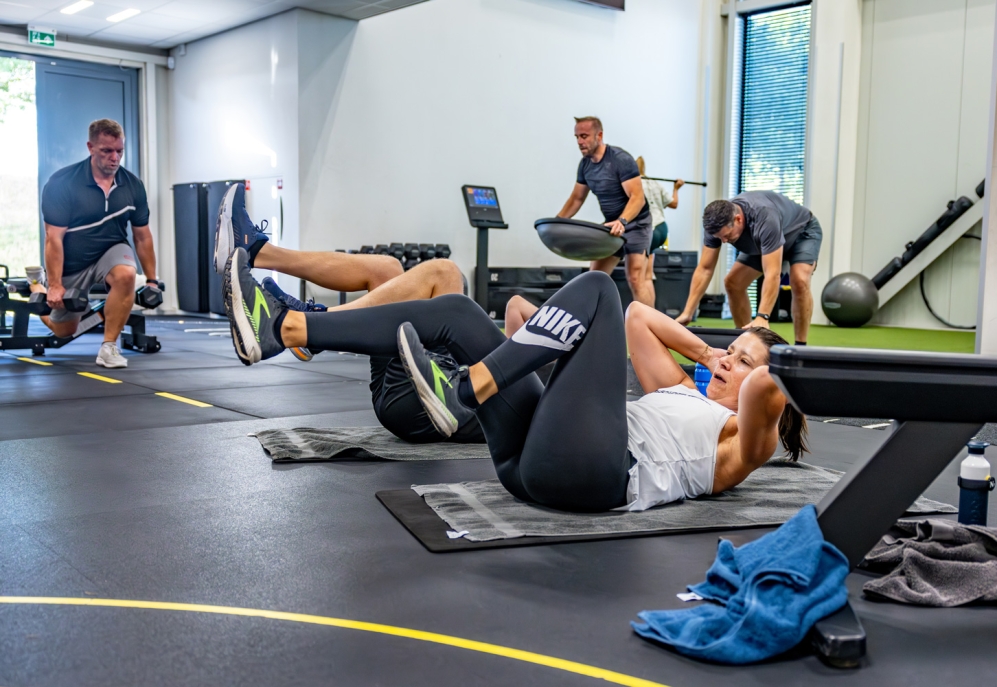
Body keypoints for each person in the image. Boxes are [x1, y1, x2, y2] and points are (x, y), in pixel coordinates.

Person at [223, 247, 808, 513]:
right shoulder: (678, 389)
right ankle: (284, 328)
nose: (727, 362)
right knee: (459, 313)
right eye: (731, 352)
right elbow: (639, 318)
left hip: (596, 478)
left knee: (599, 288)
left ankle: (468, 389)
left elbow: (767, 388)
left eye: (740, 362)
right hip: (527, 464)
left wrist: (771, 360)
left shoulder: (741, 440)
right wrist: (710, 349)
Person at [212, 182, 483, 444]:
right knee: (386, 270)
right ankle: (257, 252)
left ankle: (301, 325)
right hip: (422, 385)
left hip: (438, 401)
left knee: (444, 273)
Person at [32, 118, 157, 368]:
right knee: (64, 331)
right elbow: (53, 238)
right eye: (107, 151)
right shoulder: (62, 183)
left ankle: (109, 347)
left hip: (111, 249)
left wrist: (152, 280)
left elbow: (142, 236)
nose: (115, 158)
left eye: (119, 151)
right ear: (90, 147)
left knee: (126, 274)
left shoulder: (133, 185)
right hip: (73, 261)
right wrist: (55, 285)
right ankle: (37, 286)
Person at [676, 192, 823, 346]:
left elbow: (772, 273)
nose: (724, 241)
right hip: (762, 242)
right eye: (720, 238)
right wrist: (688, 312)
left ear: (738, 219)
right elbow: (705, 269)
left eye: (727, 235)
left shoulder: (764, 216)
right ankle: (745, 342)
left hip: (801, 232)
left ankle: (800, 347)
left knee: (799, 280)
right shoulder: (715, 225)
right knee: (733, 283)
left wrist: (762, 316)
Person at [557, 117, 654, 306]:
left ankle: (651, 323)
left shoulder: (620, 160)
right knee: (594, 277)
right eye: (577, 137)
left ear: (599, 135)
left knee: (635, 278)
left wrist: (622, 221)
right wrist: (557, 222)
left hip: (636, 224)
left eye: (584, 136)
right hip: (611, 225)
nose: (580, 141)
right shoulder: (585, 165)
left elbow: (637, 198)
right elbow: (576, 199)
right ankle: (590, 322)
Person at [636, 156, 685, 283]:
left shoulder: (634, 184)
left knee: (638, 277)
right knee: (648, 275)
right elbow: (674, 204)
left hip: (647, 230)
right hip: (661, 229)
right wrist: (676, 188)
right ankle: (649, 283)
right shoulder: (655, 183)